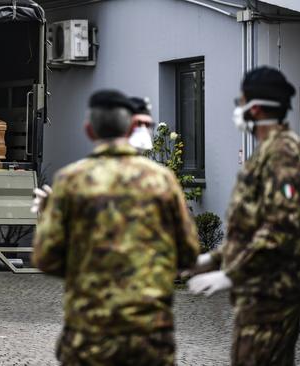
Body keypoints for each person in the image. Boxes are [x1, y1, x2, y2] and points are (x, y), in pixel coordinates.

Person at [32, 89, 200, 366]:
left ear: (89, 130)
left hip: (89, 335)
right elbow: (189, 252)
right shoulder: (162, 180)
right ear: (131, 127)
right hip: (149, 334)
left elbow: (46, 258)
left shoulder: (71, 181)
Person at [188, 67, 300, 365]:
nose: (238, 108)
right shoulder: (268, 152)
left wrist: (230, 275)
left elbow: (280, 230)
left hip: (272, 294)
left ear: (255, 108)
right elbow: (252, 226)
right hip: (259, 293)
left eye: (241, 101)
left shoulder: (284, 154)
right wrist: (213, 259)